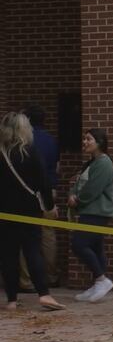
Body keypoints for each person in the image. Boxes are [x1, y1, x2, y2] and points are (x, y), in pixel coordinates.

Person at [0, 112, 64, 311]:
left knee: (8, 255)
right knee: (32, 252)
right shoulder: (30, 151)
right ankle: (44, 294)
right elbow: (43, 183)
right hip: (29, 210)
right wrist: (49, 206)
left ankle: (11, 300)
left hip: (4, 212)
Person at [68, 128, 113, 302]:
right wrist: (72, 194)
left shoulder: (104, 163)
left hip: (97, 212)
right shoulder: (91, 163)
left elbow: (93, 189)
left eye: (89, 139)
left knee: (79, 244)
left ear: (100, 143)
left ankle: (101, 279)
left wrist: (78, 200)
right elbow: (78, 182)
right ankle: (98, 283)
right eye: (84, 139)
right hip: (89, 211)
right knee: (96, 247)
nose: (85, 142)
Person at [19, 105, 60, 289]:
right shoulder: (51, 140)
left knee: (24, 235)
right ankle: (51, 275)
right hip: (49, 191)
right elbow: (57, 166)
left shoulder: (24, 141)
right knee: (48, 235)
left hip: (27, 192)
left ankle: (26, 281)